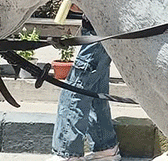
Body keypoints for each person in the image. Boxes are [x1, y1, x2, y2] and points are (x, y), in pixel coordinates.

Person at [47, 17, 120, 161]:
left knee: (75, 90)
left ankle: (67, 153)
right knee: (94, 91)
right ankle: (104, 147)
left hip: (102, 26)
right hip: (100, 26)